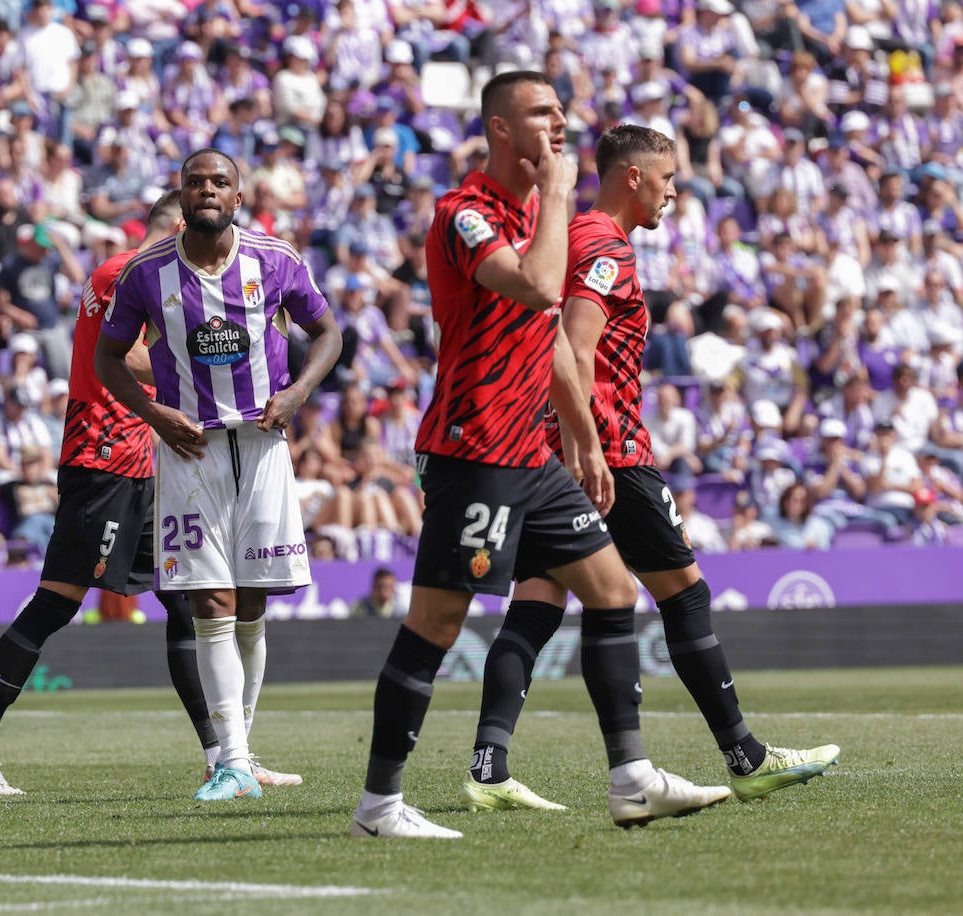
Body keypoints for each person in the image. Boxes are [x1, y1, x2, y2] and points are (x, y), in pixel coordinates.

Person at [351, 73, 729, 840]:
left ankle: (631, 779)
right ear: (499, 128)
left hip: (535, 453)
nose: (560, 124)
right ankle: (379, 806)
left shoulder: (534, 213)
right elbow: (532, 287)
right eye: (541, 113)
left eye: (562, 111)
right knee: (437, 623)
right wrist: (557, 195)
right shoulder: (465, 215)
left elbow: (554, 335)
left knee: (612, 591)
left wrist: (583, 437)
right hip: (476, 447)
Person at [466, 124, 840, 817]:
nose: (673, 194)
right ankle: (745, 757)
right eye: (667, 180)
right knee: (683, 594)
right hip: (608, 450)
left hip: (549, 451)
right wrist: (587, 444)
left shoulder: (571, 237)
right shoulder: (605, 247)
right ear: (632, 178)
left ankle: (489, 766)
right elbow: (573, 348)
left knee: (538, 602)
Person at [0, 192, 233, 797]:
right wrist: (199, 368)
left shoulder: (154, 283)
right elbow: (123, 356)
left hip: (146, 466)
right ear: (178, 229)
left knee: (184, 602)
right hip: (101, 460)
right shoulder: (122, 271)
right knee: (55, 603)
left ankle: (223, 758)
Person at [97, 151, 344, 802]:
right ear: (180, 196)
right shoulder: (147, 273)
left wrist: (297, 394)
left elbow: (328, 334)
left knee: (254, 603)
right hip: (191, 451)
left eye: (219, 182)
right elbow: (107, 357)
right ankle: (229, 760)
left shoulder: (276, 258)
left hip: (263, 446)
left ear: (238, 197)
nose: (206, 190)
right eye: (195, 182)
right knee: (211, 602)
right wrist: (152, 411)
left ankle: (242, 753)